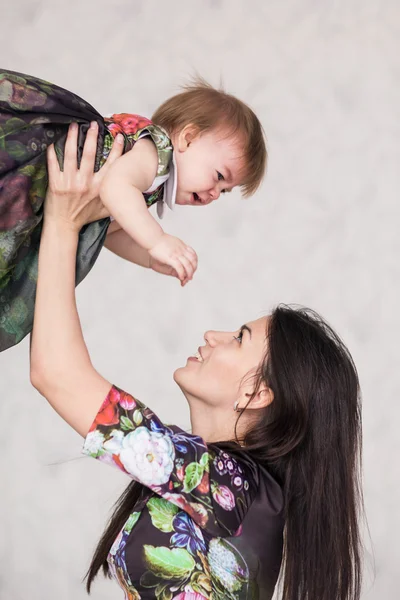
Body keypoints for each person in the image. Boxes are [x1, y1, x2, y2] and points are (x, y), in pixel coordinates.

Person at [30, 125, 364, 600]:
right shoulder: (234, 488)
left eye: (239, 337)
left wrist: (62, 225)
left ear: (258, 392)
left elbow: (57, 373)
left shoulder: (226, 484)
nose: (213, 335)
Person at [0, 69, 266, 351]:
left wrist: (148, 258)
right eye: (220, 177)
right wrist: (157, 241)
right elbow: (115, 186)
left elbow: (111, 232)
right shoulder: (155, 150)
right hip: (35, 170)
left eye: (224, 192)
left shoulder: (146, 190)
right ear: (188, 138)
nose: (215, 193)